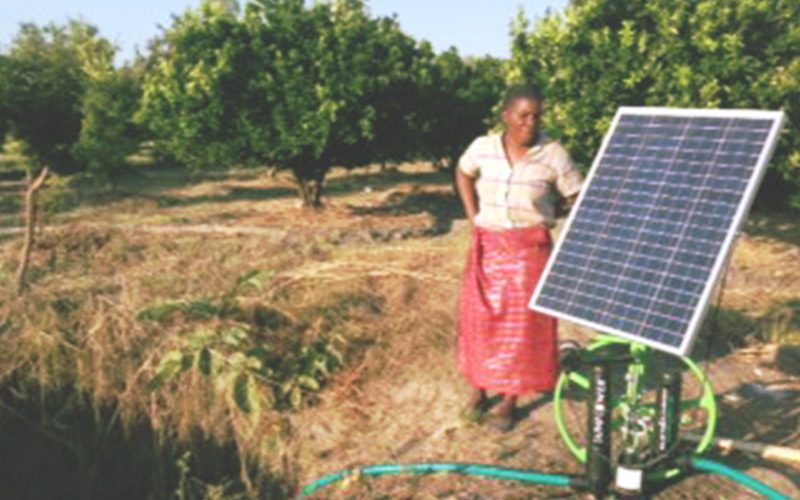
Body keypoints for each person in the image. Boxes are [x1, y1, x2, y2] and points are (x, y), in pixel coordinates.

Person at [455, 84, 583, 431]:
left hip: (530, 252)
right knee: (479, 322)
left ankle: (510, 398)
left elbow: (576, 194)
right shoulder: (482, 148)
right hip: (488, 246)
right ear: (506, 116)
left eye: (537, 116)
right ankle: (479, 390)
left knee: (522, 329)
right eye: (523, 115)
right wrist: (472, 216)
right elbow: (463, 172)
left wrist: (563, 215)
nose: (530, 123)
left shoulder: (554, 154)